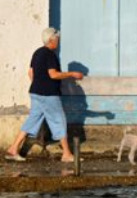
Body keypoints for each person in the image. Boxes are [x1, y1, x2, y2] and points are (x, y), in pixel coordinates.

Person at [6, 28, 84, 162]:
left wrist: (39, 85)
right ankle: (66, 154)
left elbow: (31, 73)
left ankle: (13, 148)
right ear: (52, 40)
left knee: (33, 120)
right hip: (48, 95)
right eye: (57, 38)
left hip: (36, 93)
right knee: (59, 120)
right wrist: (72, 74)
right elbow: (53, 74)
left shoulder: (37, 52)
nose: (58, 41)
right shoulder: (50, 54)